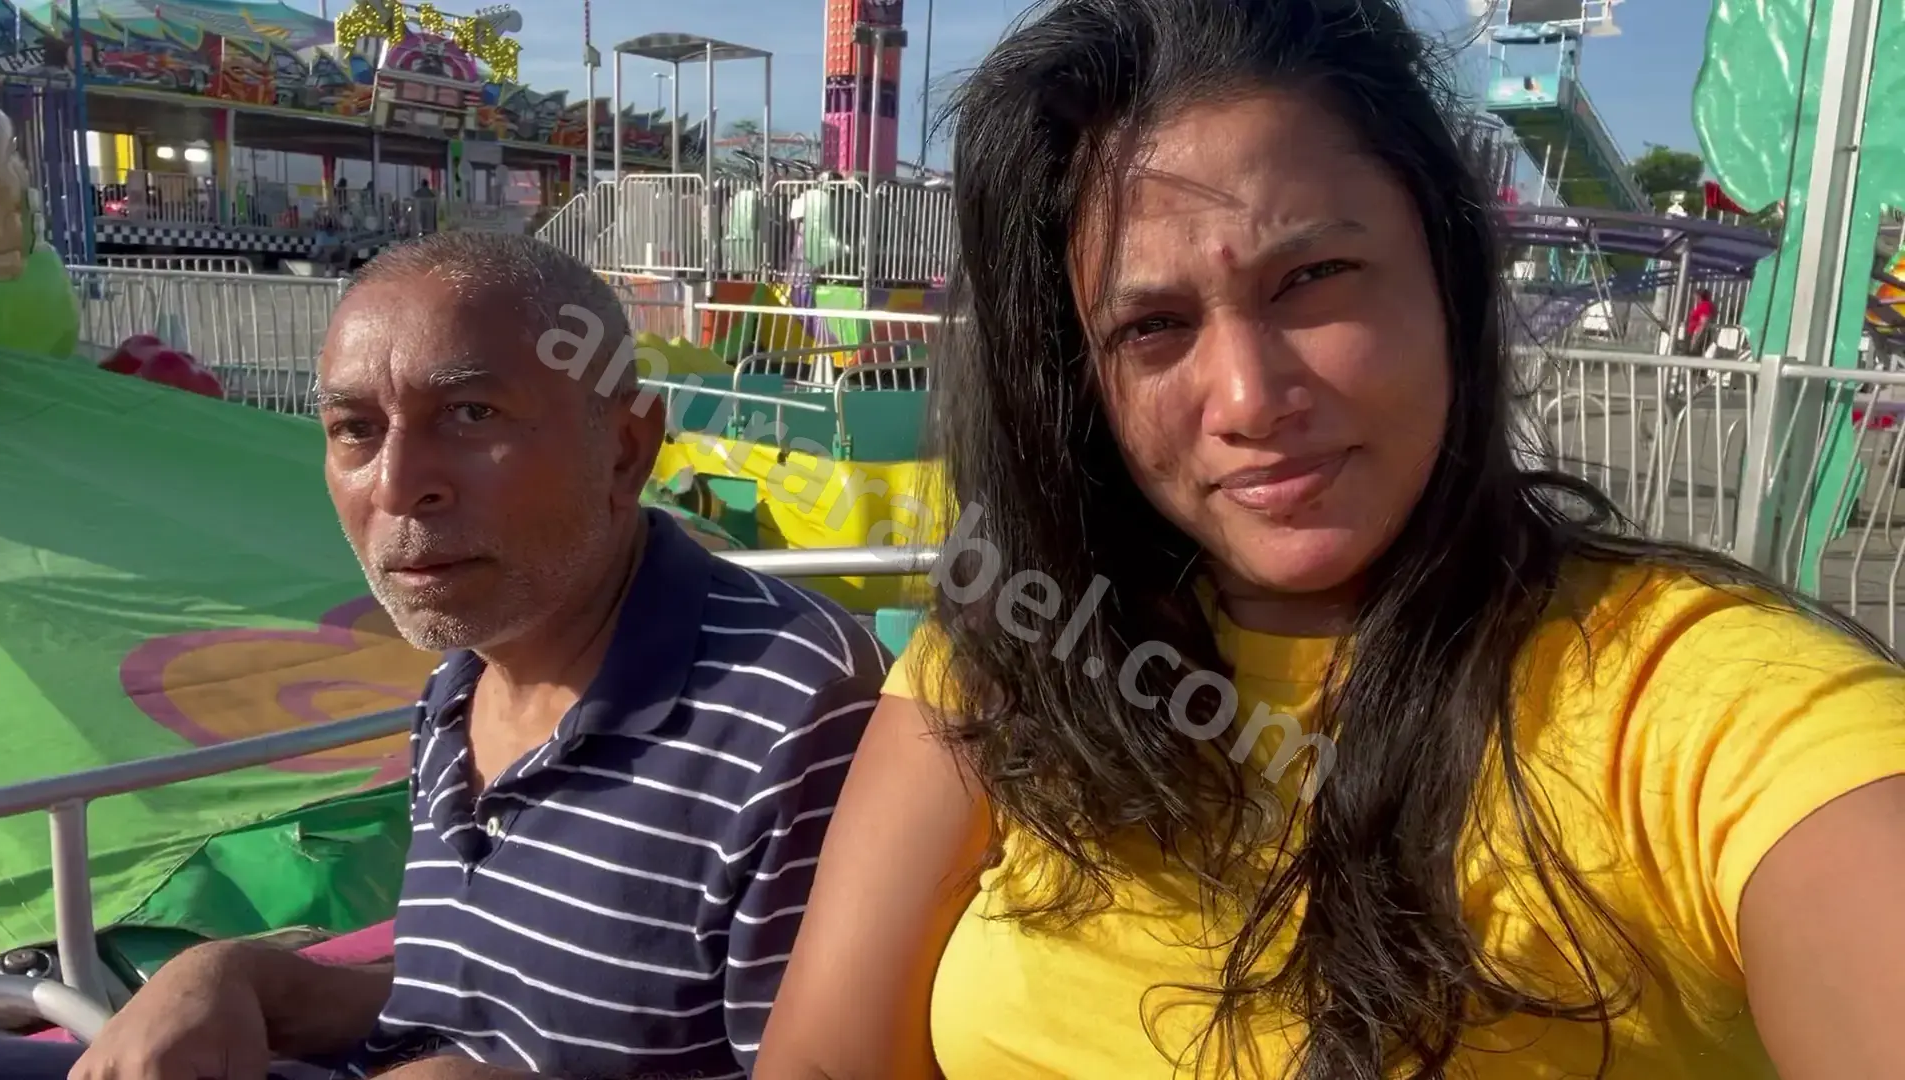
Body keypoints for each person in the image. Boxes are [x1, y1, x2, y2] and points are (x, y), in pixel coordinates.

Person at [756, 1, 1905, 1078]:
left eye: (1312, 279)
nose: (1249, 398)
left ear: (1445, 276)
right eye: (1152, 326)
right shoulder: (1014, 655)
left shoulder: (1695, 710)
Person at [0, 232, 886, 1080]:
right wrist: (238, 977)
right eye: (354, 429)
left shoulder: (794, 711)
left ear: (624, 448)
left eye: (469, 413)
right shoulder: (464, 678)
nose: (398, 483)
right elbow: (463, 992)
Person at [1685, 287, 1717, 355]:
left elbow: (1703, 323)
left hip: (1700, 334)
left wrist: (1695, 339)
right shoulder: (1705, 305)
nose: (1695, 299)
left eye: (1695, 296)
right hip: (1699, 334)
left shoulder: (1705, 305)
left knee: (1694, 354)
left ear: (1699, 296)